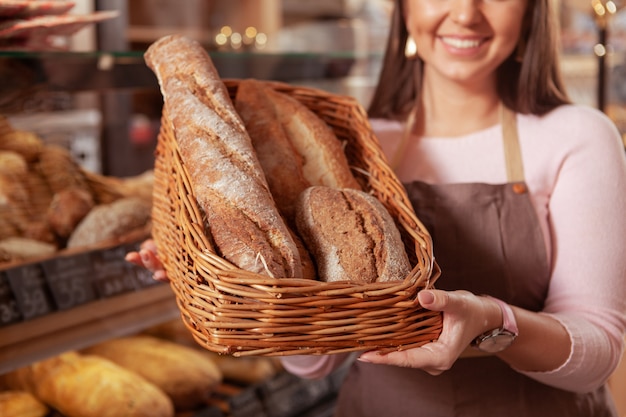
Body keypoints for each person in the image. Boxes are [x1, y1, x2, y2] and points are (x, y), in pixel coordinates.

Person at [127, 0, 626, 415]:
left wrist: (490, 322)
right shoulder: (361, 145)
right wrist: (241, 294)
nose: (466, 14)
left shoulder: (576, 136)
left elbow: (598, 352)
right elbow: (319, 358)